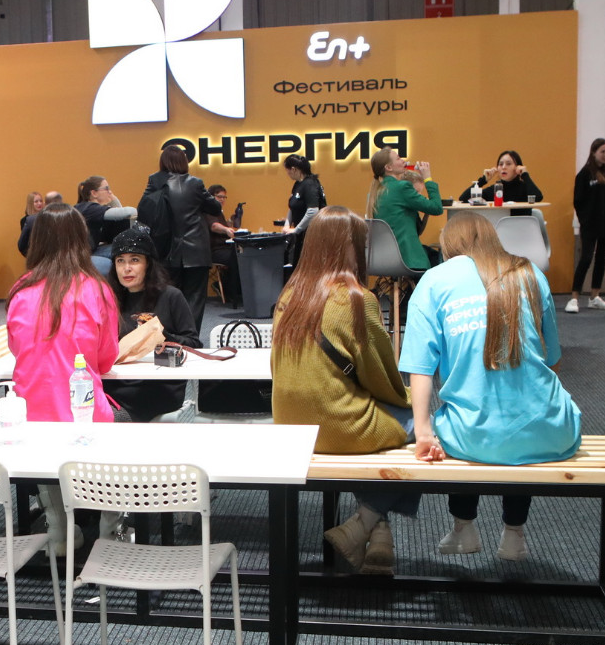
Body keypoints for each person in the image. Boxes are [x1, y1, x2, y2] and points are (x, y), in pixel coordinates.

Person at [402, 212, 582, 564]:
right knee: (522, 421)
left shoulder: (435, 280)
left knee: (457, 420)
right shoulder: (531, 273)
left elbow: (419, 368)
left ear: (449, 246)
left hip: (472, 436)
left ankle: (463, 527)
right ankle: (514, 533)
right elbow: (553, 360)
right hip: (551, 433)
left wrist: (423, 432)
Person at [270, 208, 417, 574]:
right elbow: (382, 378)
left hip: (290, 426)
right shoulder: (357, 299)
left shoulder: (289, 296)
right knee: (422, 423)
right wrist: (413, 400)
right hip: (338, 429)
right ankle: (367, 522)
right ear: (349, 248)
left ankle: (379, 534)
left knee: (370, 413)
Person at [8, 204, 120, 552]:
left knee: (45, 454)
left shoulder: (20, 290)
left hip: (28, 413)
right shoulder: (97, 289)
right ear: (81, 239)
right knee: (120, 427)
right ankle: (110, 528)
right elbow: (106, 358)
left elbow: (16, 348)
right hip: (82, 410)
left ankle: (59, 531)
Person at [102, 226, 199, 424]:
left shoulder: (171, 296)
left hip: (158, 387)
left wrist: (162, 336)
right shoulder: (109, 299)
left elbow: (194, 345)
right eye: (120, 261)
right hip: (116, 382)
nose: (126, 268)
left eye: (134, 260)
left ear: (148, 264)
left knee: (110, 415)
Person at [140, 143, 224, 325]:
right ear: (184, 162)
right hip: (196, 250)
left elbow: (144, 210)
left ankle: (170, 335)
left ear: (163, 162)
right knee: (195, 297)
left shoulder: (154, 181)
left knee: (167, 296)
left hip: (166, 249)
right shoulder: (195, 183)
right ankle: (191, 336)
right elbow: (215, 208)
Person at [368, 147, 442, 272]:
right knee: (440, 259)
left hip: (384, 258)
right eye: (398, 158)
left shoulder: (376, 192)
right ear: (388, 167)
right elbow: (437, 208)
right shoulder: (402, 187)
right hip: (408, 257)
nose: (403, 161)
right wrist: (427, 178)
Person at [568, 139, 605, 313]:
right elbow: (578, 201)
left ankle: (595, 296)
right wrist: (585, 220)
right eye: (602, 151)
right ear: (594, 152)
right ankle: (574, 297)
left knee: (602, 258)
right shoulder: (584, 174)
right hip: (590, 224)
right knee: (586, 258)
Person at [74, 175, 138, 275]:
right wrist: (114, 200)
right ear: (94, 193)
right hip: (79, 258)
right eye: (106, 188)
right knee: (124, 252)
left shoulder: (94, 210)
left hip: (90, 252)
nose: (110, 192)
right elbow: (129, 212)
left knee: (125, 246)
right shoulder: (88, 208)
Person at [459, 151, 544, 211]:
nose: (503, 167)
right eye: (500, 164)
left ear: (518, 167)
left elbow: (538, 197)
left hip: (522, 229)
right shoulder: (494, 190)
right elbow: (464, 199)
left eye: (508, 164)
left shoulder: (525, 188)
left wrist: (525, 175)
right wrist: (483, 180)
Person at [206, 184, 240, 305]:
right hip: (215, 250)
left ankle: (235, 291)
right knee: (236, 258)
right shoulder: (209, 210)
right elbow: (214, 226)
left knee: (241, 256)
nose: (222, 199)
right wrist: (226, 230)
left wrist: (229, 223)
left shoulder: (219, 212)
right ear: (211, 197)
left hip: (224, 248)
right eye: (219, 196)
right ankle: (230, 291)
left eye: (224, 197)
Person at [18, 191, 64, 257]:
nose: (39, 203)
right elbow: (23, 243)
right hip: (35, 255)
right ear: (31, 204)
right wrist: (31, 256)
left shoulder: (49, 217)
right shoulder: (26, 220)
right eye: (36, 201)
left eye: (41, 201)